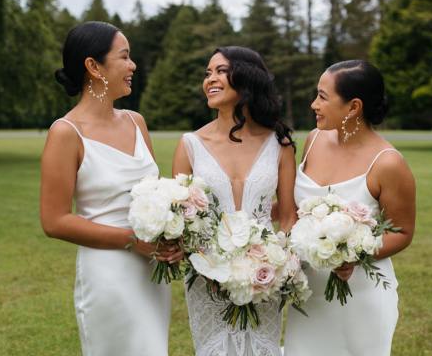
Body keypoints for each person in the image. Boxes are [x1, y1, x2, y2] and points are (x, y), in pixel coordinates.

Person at [40, 21, 182, 356]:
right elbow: (54, 221)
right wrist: (133, 241)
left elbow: (153, 197)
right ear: (93, 66)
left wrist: (171, 235)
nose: (133, 66)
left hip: (149, 273)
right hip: (108, 274)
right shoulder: (66, 133)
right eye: (125, 57)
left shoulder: (136, 122)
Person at [283, 60, 416, 356]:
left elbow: (403, 232)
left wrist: (354, 255)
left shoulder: (388, 163)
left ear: (353, 107)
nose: (313, 104)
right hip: (309, 293)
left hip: (360, 296)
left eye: (323, 96)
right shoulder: (315, 139)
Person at [172, 46, 297, 356]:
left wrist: (282, 265)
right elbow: (181, 220)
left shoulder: (279, 144)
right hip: (206, 279)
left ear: (246, 78)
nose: (210, 79)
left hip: (264, 277)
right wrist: (205, 266)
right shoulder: (190, 145)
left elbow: (289, 216)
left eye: (220, 71)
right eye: (207, 73)